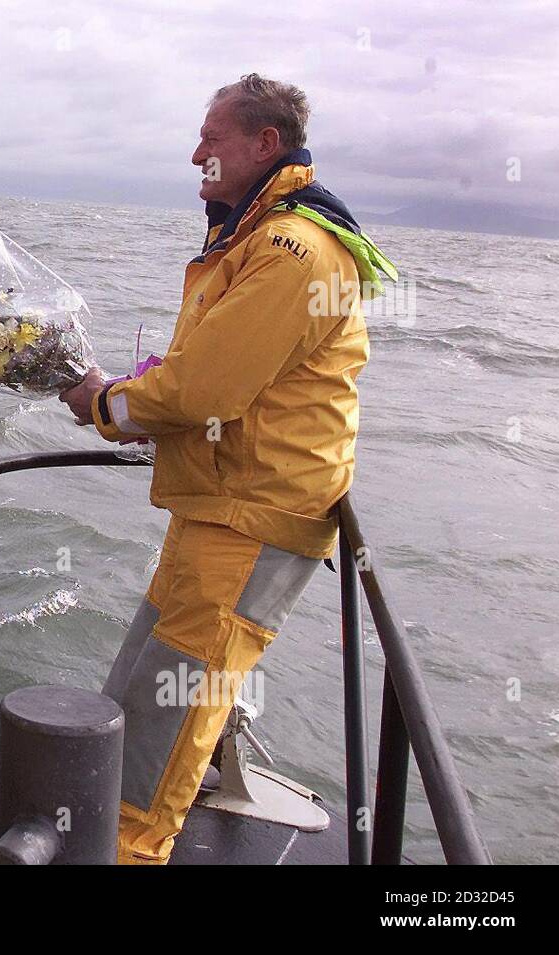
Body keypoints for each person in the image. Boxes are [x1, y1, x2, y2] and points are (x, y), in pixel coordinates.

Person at [59, 74, 395, 864]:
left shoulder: (293, 249)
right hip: (221, 507)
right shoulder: (257, 235)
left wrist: (106, 404)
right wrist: (151, 411)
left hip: (252, 516)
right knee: (145, 687)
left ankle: (130, 850)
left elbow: (206, 387)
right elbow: (212, 384)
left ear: (264, 144)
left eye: (212, 137)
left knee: (169, 717)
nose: (196, 154)